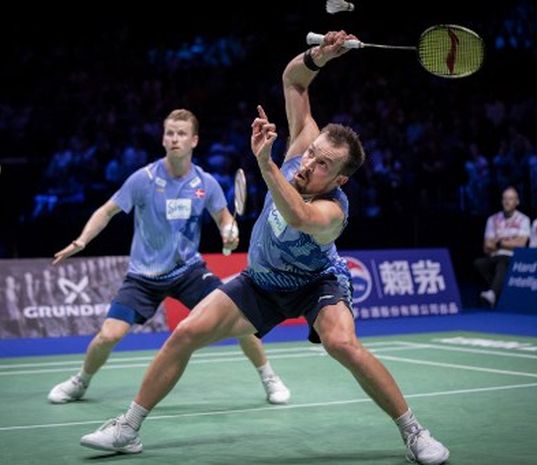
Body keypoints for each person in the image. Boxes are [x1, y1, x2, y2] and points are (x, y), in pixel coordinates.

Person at [79, 32, 449, 465]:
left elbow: (296, 216)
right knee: (184, 334)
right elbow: (293, 82)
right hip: (262, 280)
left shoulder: (333, 210)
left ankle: (414, 432)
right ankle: (128, 428)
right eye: (311, 152)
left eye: (323, 164)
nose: (309, 163)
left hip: (317, 283)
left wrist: (265, 163)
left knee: (342, 344)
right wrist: (319, 56)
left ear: (340, 179)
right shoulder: (299, 150)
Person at [47, 109, 290, 406]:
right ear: (163, 139)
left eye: (181, 133)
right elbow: (106, 211)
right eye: (170, 133)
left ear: (194, 140)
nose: (175, 138)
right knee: (109, 335)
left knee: (239, 317)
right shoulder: (143, 179)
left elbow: (225, 218)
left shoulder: (206, 183)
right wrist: (82, 240)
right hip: (143, 276)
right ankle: (80, 381)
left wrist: (230, 232)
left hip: (188, 271)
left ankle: (269, 377)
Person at [474, 186, 530, 307]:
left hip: (512, 258)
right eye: (504, 198)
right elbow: (486, 246)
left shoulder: (524, 219)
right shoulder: (492, 219)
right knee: (479, 263)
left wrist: (499, 243)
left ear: (517, 202)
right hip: (494, 256)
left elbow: (521, 244)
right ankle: (499, 293)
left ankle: (493, 293)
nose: (507, 201)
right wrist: (510, 241)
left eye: (510, 198)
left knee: (503, 261)